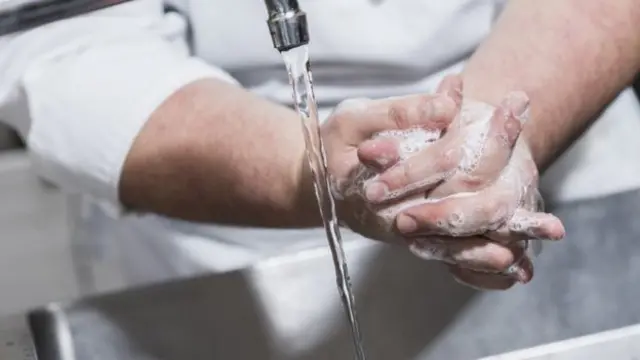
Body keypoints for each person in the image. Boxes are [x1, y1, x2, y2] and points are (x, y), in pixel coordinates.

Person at [0, 0, 638, 292]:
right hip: (224, 252)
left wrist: (491, 133)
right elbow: (66, 44)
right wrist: (302, 169)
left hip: (567, 161)